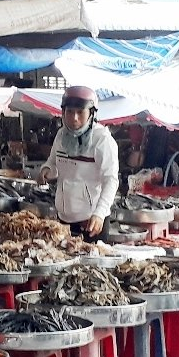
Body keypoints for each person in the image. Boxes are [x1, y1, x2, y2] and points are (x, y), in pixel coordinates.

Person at [37, 86, 119, 242]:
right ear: (63, 112)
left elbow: (111, 180)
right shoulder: (61, 135)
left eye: (80, 112)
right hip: (63, 221)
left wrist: (100, 213)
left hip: (91, 222)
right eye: (69, 112)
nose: (74, 118)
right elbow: (53, 163)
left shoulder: (102, 139)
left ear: (91, 113)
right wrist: (46, 170)